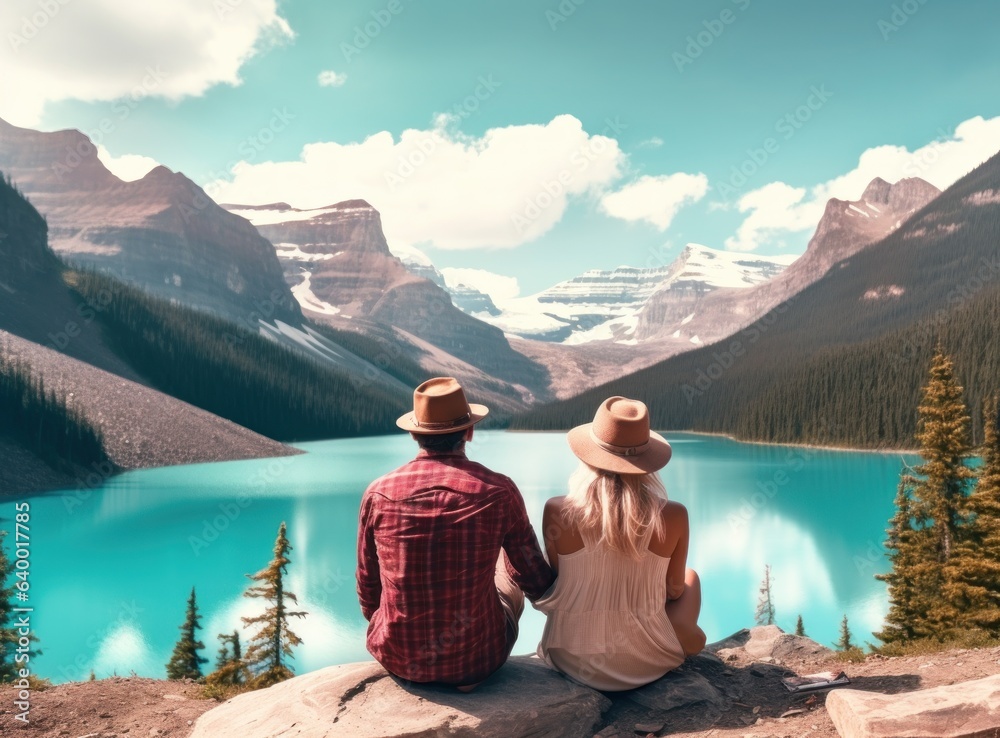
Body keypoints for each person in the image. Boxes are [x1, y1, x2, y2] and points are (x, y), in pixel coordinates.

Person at [356, 376, 555, 690]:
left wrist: (392, 629)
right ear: (469, 431)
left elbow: (368, 586)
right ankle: (462, 673)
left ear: (414, 433)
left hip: (398, 657)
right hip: (478, 661)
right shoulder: (499, 490)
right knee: (507, 565)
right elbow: (534, 579)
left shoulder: (378, 492)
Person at [534, 396, 706, 691]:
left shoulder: (558, 511)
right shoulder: (673, 514)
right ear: (647, 459)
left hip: (571, 658)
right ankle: (683, 634)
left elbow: (562, 580)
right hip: (650, 661)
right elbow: (674, 589)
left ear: (588, 455)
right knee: (690, 577)